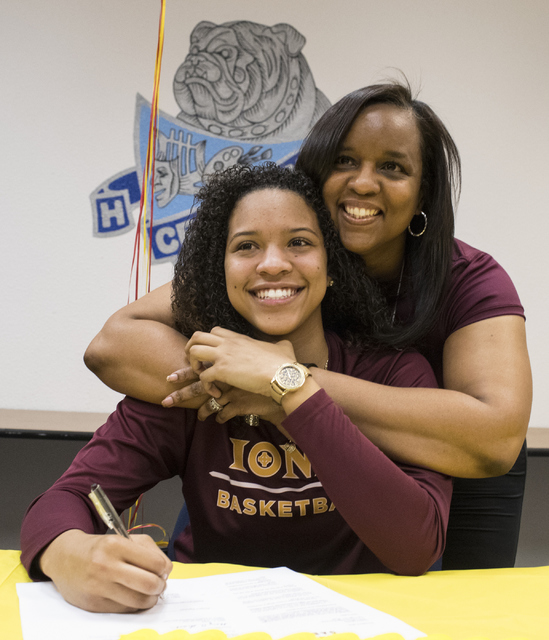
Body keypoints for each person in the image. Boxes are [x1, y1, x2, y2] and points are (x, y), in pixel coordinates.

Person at [84, 82, 532, 570]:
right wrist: (240, 383)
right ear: (315, 174)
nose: (363, 183)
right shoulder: (280, 265)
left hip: (448, 463)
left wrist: (284, 384)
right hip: (272, 463)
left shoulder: (471, 280)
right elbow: (114, 345)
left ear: (423, 191)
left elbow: (494, 439)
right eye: (343, 161)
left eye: (393, 167)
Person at [21, 164, 452, 614]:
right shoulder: (194, 377)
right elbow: (64, 500)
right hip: (212, 621)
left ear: (332, 266)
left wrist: (291, 389)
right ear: (221, 272)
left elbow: (416, 547)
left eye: (299, 243)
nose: (272, 263)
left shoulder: (396, 373)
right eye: (246, 246)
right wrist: (69, 554)